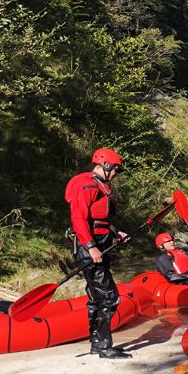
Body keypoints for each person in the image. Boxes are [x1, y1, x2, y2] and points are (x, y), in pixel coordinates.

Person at [65, 147, 130, 359]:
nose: (116, 175)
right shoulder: (85, 184)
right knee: (110, 297)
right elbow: (79, 219)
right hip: (89, 247)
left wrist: (115, 231)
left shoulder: (100, 184)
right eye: (116, 170)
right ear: (106, 165)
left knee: (95, 296)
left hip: (100, 243)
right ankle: (103, 346)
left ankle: (96, 343)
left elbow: (99, 219)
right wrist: (91, 246)